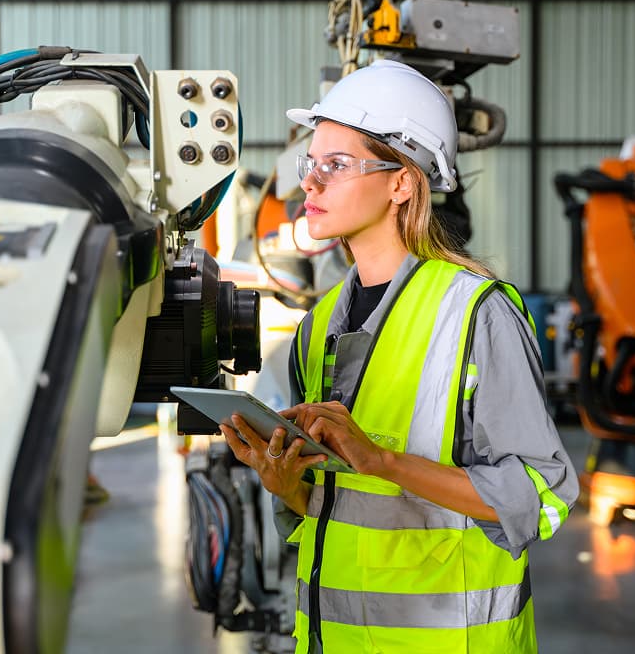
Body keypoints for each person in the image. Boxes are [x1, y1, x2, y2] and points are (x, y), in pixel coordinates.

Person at [219, 59, 578, 654]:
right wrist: (286, 485)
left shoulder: (476, 312)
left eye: (336, 165)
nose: (309, 183)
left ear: (402, 183)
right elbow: (343, 509)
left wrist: (382, 460)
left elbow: (541, 496)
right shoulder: (319, 325)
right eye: (312, 164)